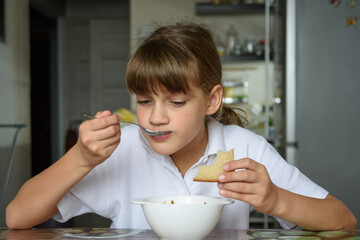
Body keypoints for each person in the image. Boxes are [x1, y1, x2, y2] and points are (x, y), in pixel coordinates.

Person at [6, 22, 356, 230]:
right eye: (144, 101)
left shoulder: (243, 149)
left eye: (175, 102)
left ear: (211, 100)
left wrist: (276, 199)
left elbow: (344, 220)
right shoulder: (123, 149)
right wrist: (81, 158)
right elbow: (18, 217)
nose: (155, 117)